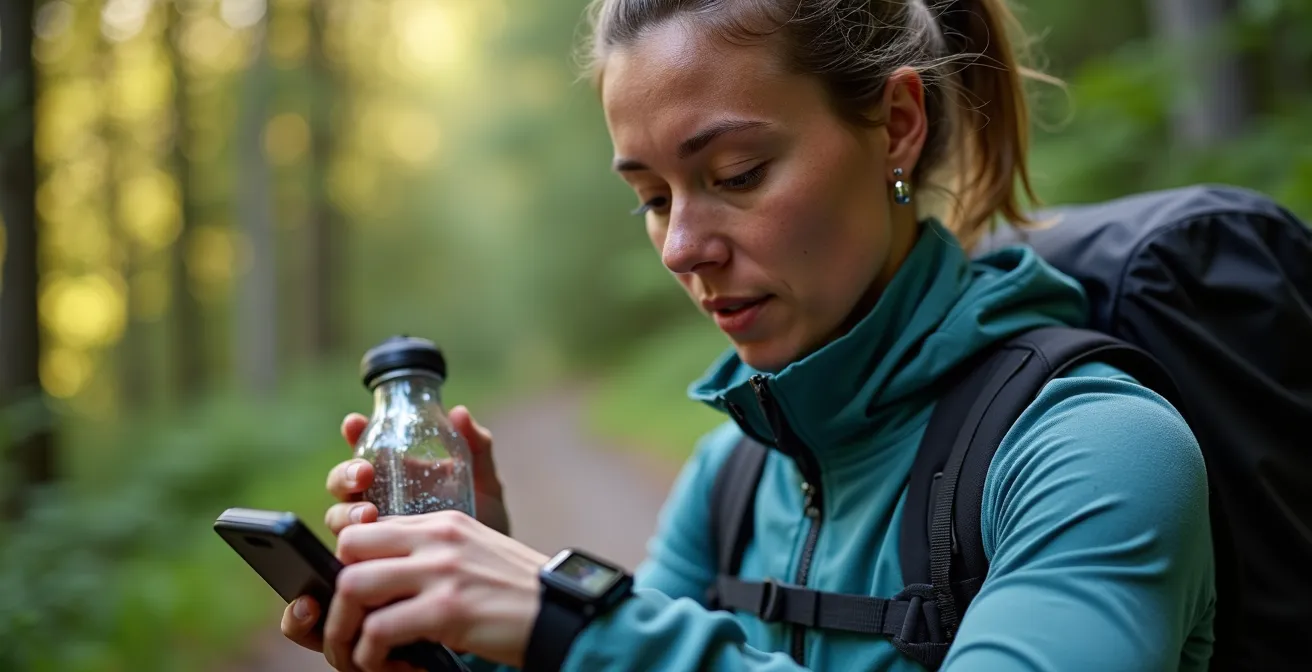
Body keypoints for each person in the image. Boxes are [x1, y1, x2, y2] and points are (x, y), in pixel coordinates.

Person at [280, 0, 1216, 670]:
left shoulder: (1094, 450)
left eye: (735, 173)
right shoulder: (732, 475)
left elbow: (625, 649)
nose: (681, 247)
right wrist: (468, 642)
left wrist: (568, 625)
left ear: (895, 124)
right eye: (651, 197)